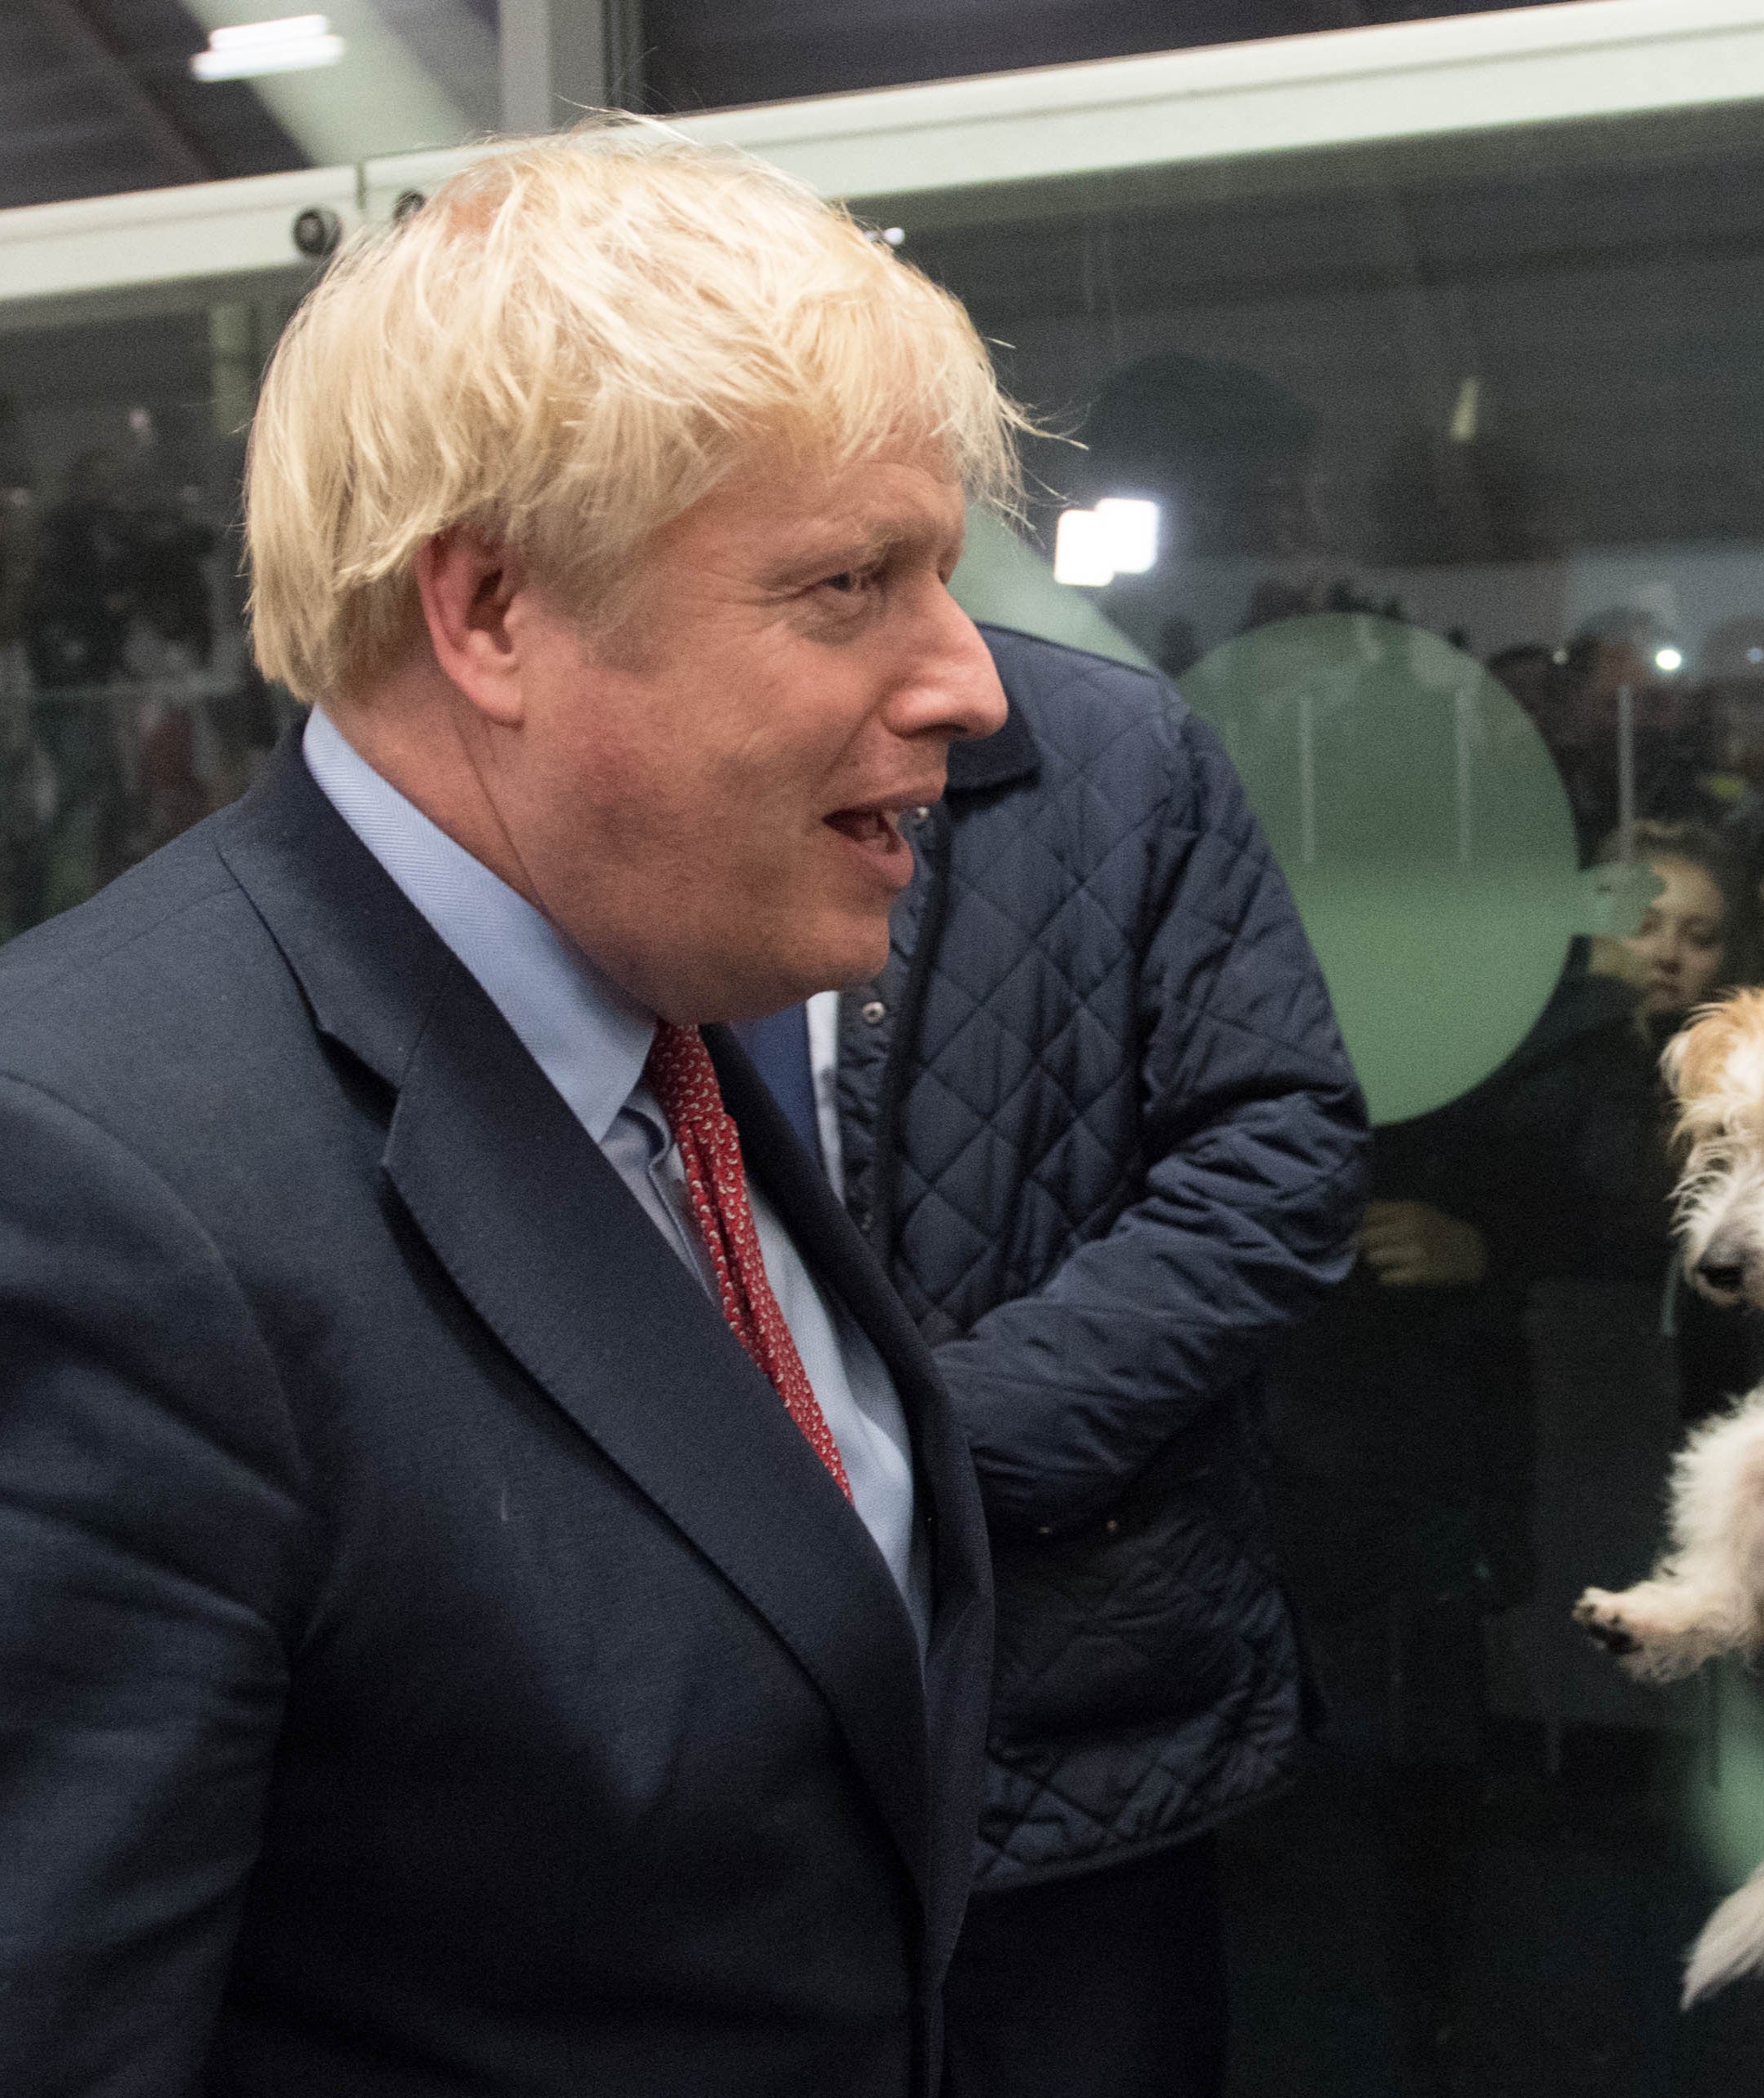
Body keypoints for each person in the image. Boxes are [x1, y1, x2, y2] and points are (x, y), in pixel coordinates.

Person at [0, 128, 1022, 2089]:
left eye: (941, 578)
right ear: (488, 612)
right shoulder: (91, 1196)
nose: (969, 681)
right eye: (845, 585)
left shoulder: (657, 997)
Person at [738, 613, 1369, 2098]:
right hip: (697, 1739)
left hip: (1073, 1692)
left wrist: (937, 1450)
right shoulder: (603, 748)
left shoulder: (1106, 746)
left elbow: (1280, 1153)